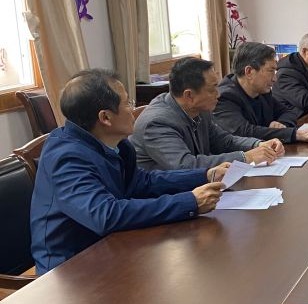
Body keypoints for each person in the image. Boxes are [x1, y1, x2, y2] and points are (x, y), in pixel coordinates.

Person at [30, 69, 229, 275]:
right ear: (105, 117)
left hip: (114, 246)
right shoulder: (67, 157)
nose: (133, 111)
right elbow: (105, 215)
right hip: (70, 269)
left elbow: (142, 182)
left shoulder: (118, 144)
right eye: (127, 103)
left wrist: (205, 175)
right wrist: (190, 202)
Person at [133, 57, 284, 170]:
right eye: (212, 89)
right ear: (189, 95)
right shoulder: (157, 122)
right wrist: (247, 157)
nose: (218, 94)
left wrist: (258, 144)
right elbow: (185, 165)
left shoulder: (199, 109)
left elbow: (224, 141)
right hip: (166, 196)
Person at [214, 42, 308, 143]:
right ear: (249, 72)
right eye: (270, 71)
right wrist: (294, 134)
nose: (274, 79)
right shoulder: (224, 97)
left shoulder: (262, 91)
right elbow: (244, 132)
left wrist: (281, 124)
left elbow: (289, 112)